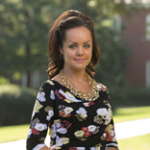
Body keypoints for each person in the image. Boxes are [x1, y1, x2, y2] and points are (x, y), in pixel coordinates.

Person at [26, 10, 119, 150]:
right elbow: (34, 144)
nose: (80, 52)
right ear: (61, 49)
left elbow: (111, 142)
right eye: (73, 46)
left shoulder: (102, 91)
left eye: (86, 45)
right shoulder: (50, 90)